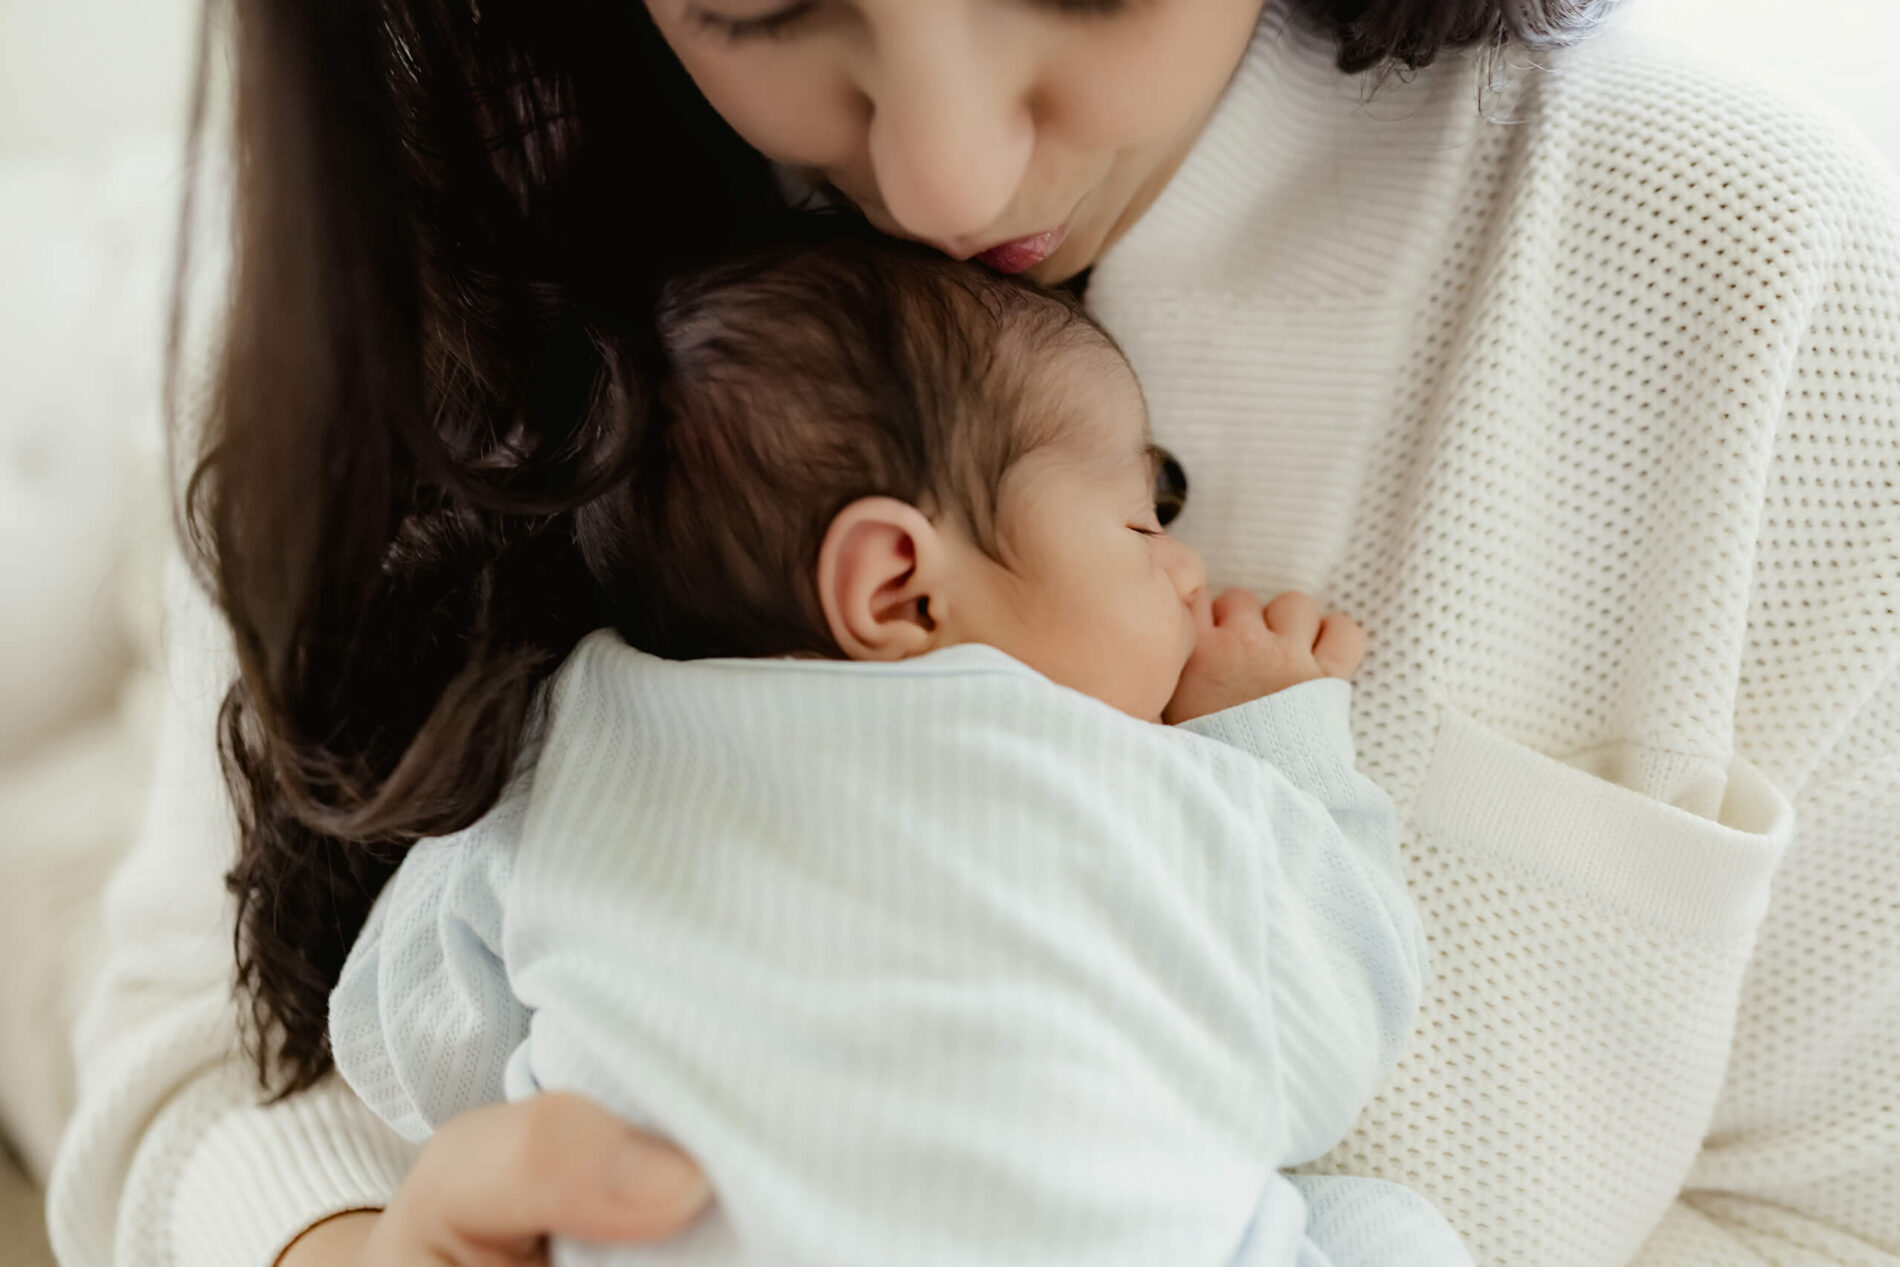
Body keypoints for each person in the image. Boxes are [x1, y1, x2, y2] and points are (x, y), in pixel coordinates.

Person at [44, 0, 1900, 1264]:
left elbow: (1843, 1211)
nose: (944, 176)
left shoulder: (1764, 297)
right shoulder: (456, 237)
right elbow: (202, 1050)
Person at [324, 230, 1473, 1267]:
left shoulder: (568, 741)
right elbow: (1330, 1028)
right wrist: (1271, 736)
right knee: (1381, 1228)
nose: (1184, 570)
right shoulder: (1111, 773)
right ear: (897, 587)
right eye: (1136, 524)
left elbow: (402, 1029)